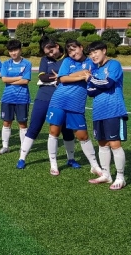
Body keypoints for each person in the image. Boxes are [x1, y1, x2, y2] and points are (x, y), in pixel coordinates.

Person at [16, 37, 78, 169]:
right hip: (44, 97)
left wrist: (61, 77)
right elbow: (42, 76)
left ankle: (71, 159)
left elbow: (72, 76)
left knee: (66, 130)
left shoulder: (68, 59)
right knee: (35, 126)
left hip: (64, 98)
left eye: (52, 50)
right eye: (48, 53)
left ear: (56, 45)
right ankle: (22, 158)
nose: (51, 54)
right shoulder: (45, 60)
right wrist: (60, 77)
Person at [46, 40, 101, 176]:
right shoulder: (66, 62)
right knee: (54, 132)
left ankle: (94, 165)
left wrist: (73, 75)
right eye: (70, 51)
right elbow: (63, 79)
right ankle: (53, 164)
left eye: (75, 49)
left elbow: (91, 76)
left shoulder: (91, 62)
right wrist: (82, 74)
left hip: (76, 104)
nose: (73, 53)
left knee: (83, 135)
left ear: (81, 47)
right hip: (59, 100)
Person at [85, 42, 128, 190]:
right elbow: (90, 91)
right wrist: (95, 82)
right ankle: (106, 174)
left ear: (104, 51)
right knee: (102, 144)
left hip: (114, 110)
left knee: (115, 144)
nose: (93, 56)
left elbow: (108, 83)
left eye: (96, 52)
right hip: (98, 111)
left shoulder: (114, 64)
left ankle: (120, 177)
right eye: (91, 54)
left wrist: (91, 79)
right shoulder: (95, 70)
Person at [0, 39, 32, 154]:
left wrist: (11, 80)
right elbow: (4, 79)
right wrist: (19, 77)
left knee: (22, 123)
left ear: (20, 50)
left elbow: (26, 81)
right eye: (11, 51)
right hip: (7, 97)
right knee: (6, 122)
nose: (13, 53)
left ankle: (23, 148)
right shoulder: (6, 64)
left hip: (22, 98)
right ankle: (5, 146)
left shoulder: (27, 63)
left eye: (15, 50)